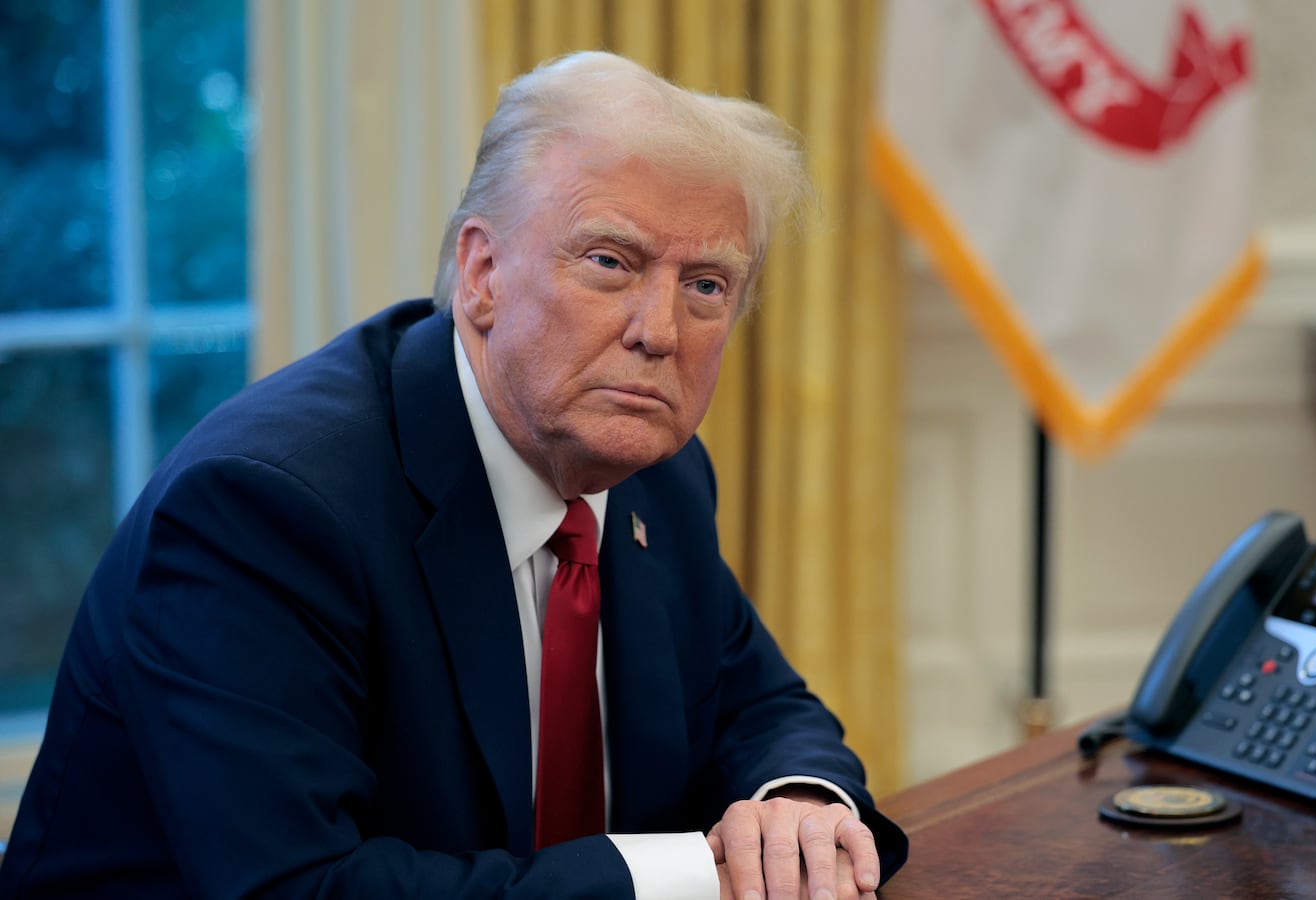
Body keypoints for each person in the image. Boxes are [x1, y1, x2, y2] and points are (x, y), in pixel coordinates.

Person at [0, 51, 907, 899]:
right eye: (610, 263)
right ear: (481, 273)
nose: (659, 332)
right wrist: (678, 877)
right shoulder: (265, 506)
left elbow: (761, 703)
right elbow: (301, 887)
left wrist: (800, 804)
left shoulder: (655, 474)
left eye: (706, 285)